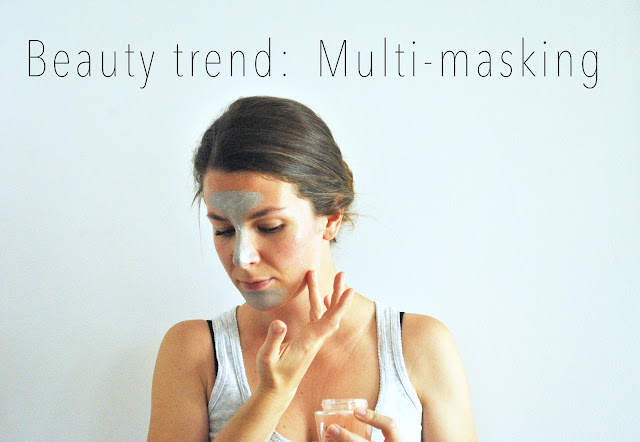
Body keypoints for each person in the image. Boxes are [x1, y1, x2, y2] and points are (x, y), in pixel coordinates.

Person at [147, 96, 477, 441]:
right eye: (223, 230)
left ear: (331, 218)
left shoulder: (420, 346)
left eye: (270, 227)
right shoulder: (195, 351)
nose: (242, 258)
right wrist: (271, 395)